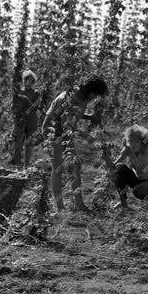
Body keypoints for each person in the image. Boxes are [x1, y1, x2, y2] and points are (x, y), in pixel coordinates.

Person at [41, 74, 109, 213]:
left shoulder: (83, 98)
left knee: (75, 167)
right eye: (95, 95)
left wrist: (90, 117)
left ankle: (79, 205)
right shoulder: (68, 98)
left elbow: (75, 116)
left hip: (66, 132)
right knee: (58, 168)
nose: (94, 99)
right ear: (90, 92)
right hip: (53, 131)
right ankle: (60, 208)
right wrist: (86, 135)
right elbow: (62, 123)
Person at [112, 124, 148, 210]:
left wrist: (131, 154)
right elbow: (114, 166)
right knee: (119, 168)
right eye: (130, 141)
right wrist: (106, 158)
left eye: (136, 141)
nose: (132, 144)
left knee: (138, 192)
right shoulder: (129, 147)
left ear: (143, 141)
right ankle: (124, 204)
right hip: (140, 180)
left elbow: (141, 174)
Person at [11, 70, 41, 169]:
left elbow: (34, 108)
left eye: (33, 80)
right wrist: (18, 114)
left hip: (31, 121)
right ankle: (17, 166)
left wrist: (26, 101)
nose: (30, 82)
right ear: (24, 80)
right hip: (20, 121)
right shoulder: (19, 91)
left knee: (28, 144)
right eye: (28, 80)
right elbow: (14, 107)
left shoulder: (36, 93)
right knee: (18, 143)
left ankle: (26, 167)